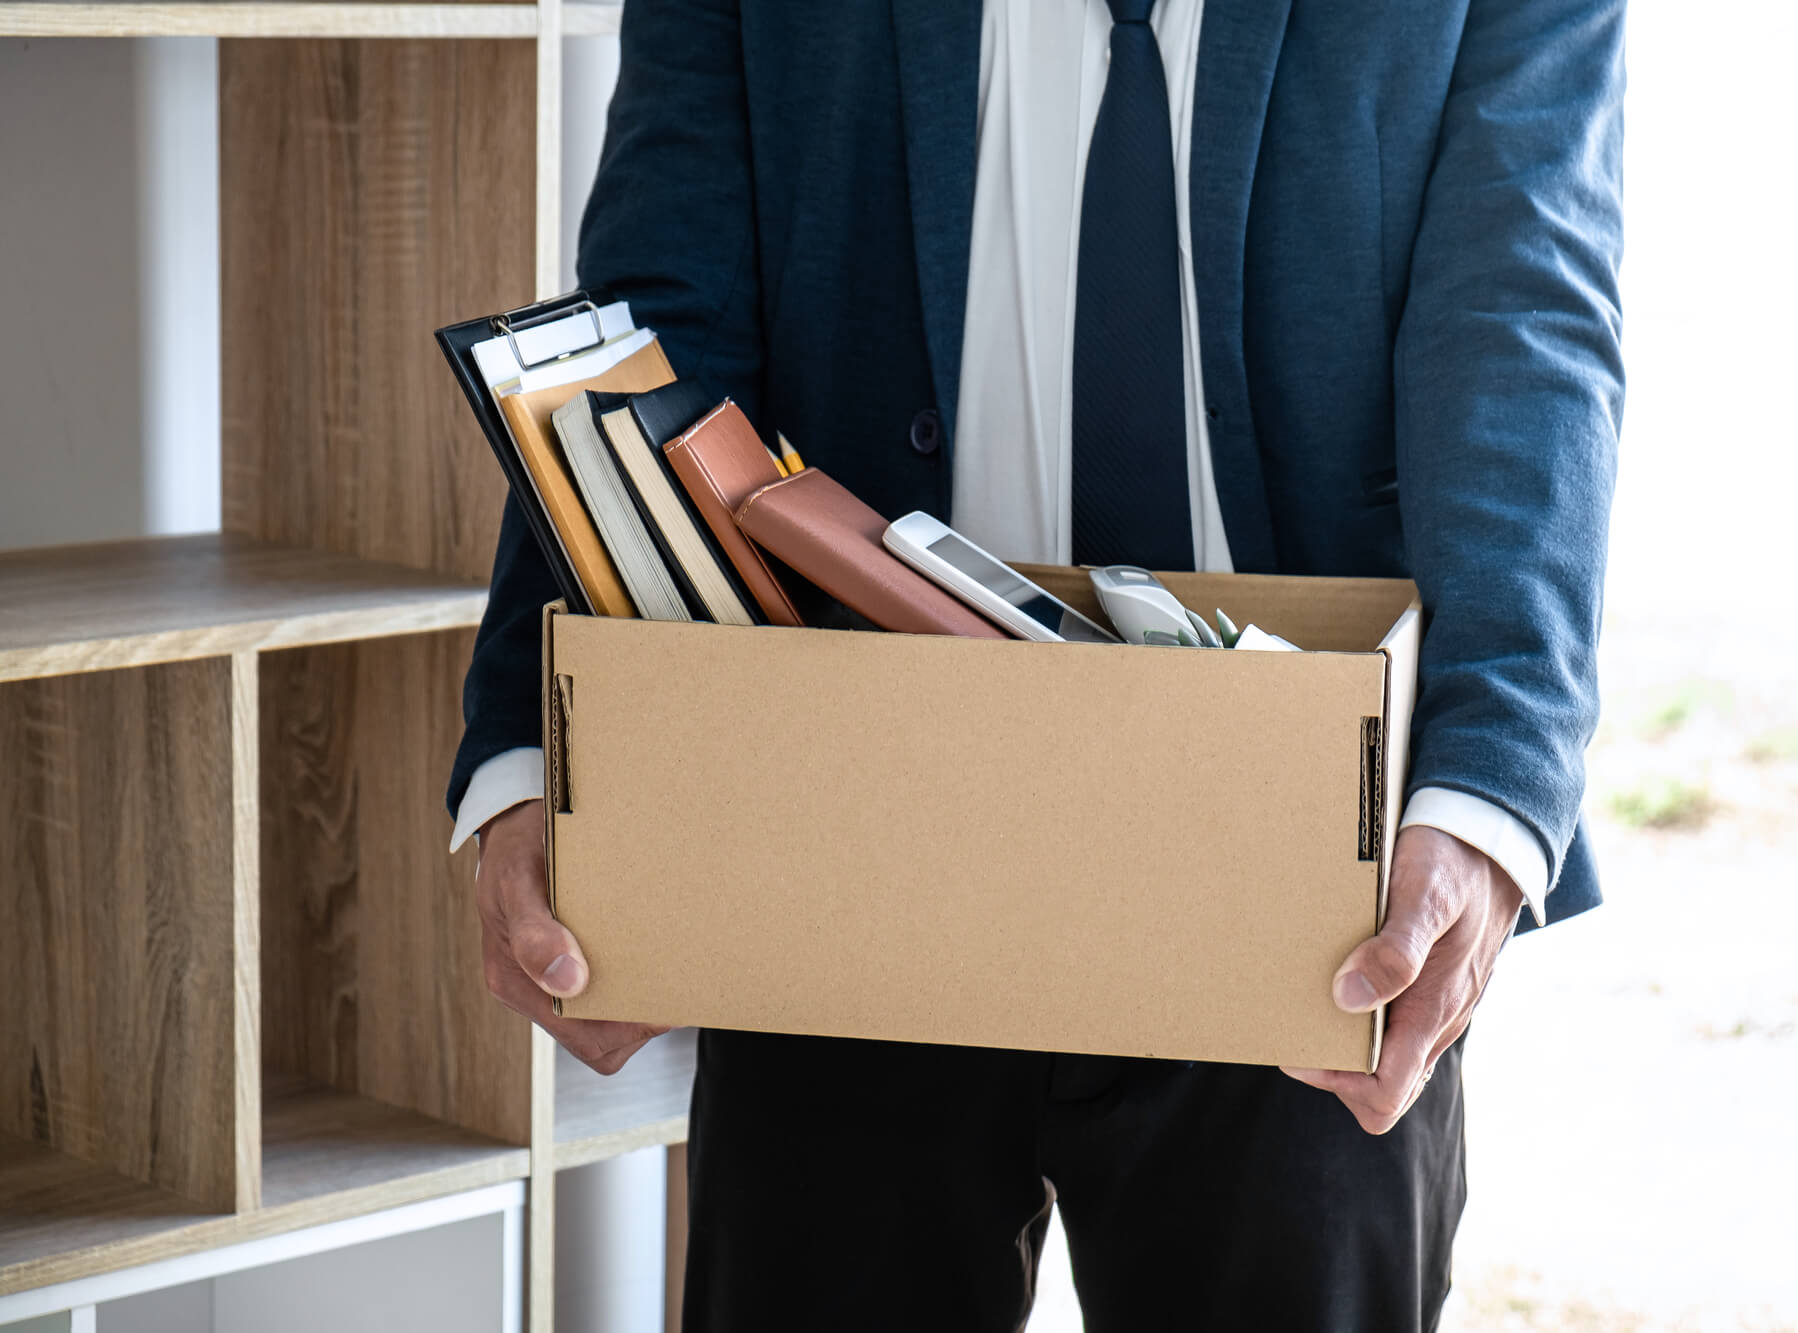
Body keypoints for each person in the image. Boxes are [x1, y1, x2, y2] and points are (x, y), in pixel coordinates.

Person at [449, 0, 1624, 1326]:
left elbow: (1524, 325)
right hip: (845, 817)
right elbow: (652, 320)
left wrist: (1485, 797)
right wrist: (534, 749)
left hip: (1300, 842)